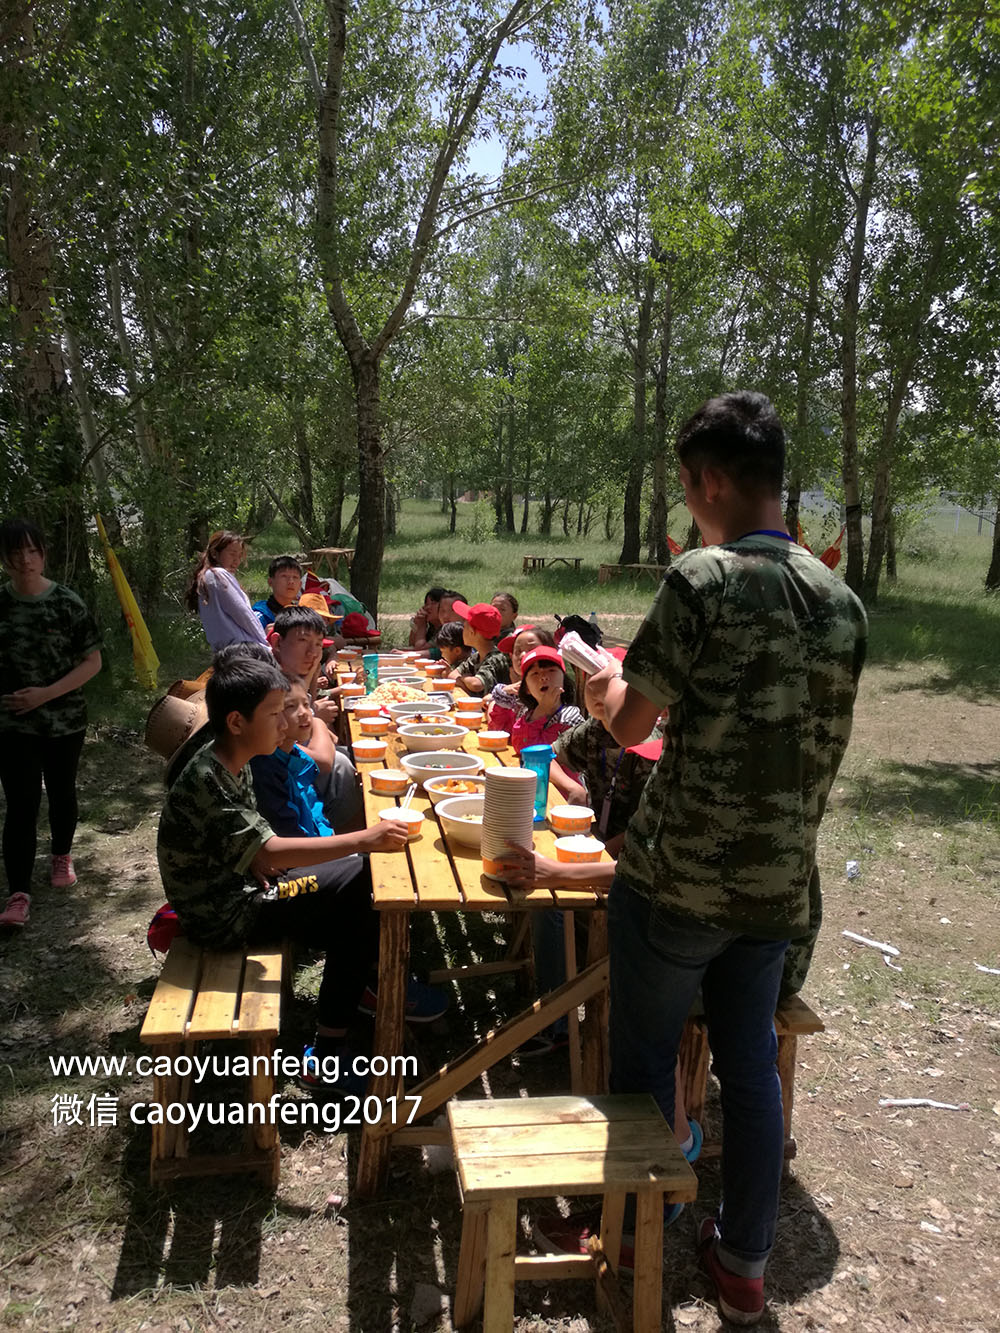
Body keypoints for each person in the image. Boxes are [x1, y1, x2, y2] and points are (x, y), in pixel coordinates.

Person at [584, 391, 867, 1323]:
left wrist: (597, 684)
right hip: (778, 886)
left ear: (709, 479)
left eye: (686, 489)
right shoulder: (842, 601)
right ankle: (743, 1260)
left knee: (645, 1059)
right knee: (749, 1069)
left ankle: (630, 1235)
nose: (688, 508)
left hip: (678, 883)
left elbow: (633, 723)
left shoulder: (702, 577)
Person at [156, 652, 412, 1097]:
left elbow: (258, 850)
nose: (284, 723)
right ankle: (333, 1047)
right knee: (359, 877)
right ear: (236, 721)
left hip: (245, 889)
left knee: (356, 888)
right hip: (224, 916)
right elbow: (270, 852)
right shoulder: (208, 777)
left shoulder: (234, 757)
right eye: (275, 714)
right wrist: (365, 838)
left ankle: (348, 1015)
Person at [0, 518, 103, 928]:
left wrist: (45, 694)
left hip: (64, 721)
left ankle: (62, 855)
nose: (25, 560)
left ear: (43, 554)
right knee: (21, 804)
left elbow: (92, 662)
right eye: (16, 552)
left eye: (32, 551)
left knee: (61, 792)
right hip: (11, 725)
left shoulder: (67, 603)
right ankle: (18, 893)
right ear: (4, 558)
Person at [487, 645, 582, 755]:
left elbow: (533, 754)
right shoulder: (526, 713)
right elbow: (512, 741)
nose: (543, 677)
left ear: (564, 682)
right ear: (527, 688)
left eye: (551, 670)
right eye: (535, 673)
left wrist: (542, 709)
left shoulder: (569, 718)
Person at [185, 530, 269, 652]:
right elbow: (242, 614)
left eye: (239, 556)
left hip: (228, 651)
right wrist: (265, 641)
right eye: (232, 554)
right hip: (242, 650)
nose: (236, 560)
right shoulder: (218, 575)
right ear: (214, 553)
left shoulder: (209, 576)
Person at [451, 600, 503, 695]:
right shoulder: (477, 656)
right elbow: (452, 676)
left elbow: (476, 684)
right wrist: (467, 682)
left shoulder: (496, 658)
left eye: (464, 626)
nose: (463, 630)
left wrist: (462, 678)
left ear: (471, 631)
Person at [252, 555, 303, 630]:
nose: (291, 581)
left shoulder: (302, 616)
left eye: (295, 577)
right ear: (270, 582)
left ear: (300, 585)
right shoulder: (258, 617)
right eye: (284, 576)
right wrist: (264, 638)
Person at [409, 585, 447, 653]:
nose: (428, 607)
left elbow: (420, 650)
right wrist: (416, 626)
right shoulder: (432, 628)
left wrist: (421, 626)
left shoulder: (447, 630)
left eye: (433, 603)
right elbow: (412, 644)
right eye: (426, 604)